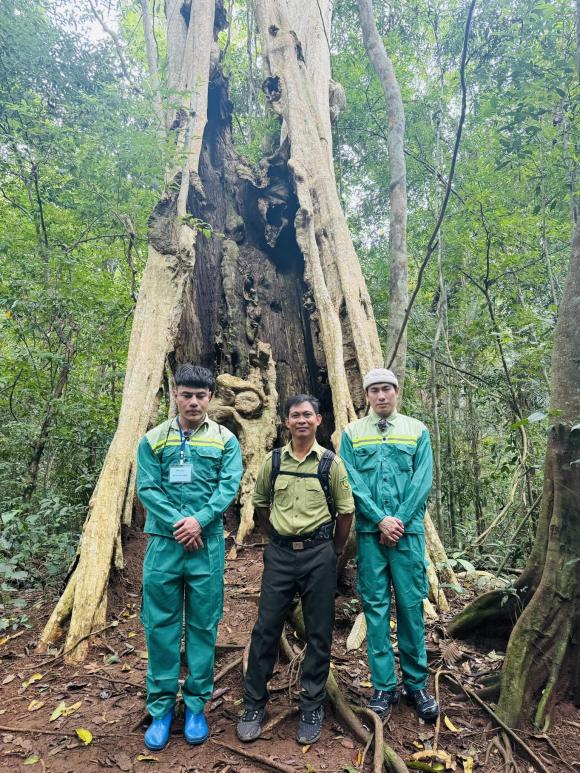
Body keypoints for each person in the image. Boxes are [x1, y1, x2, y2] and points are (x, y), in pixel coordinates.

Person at [237, 395, 354, 745]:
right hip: (280, 555)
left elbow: (345, 512)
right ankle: (254, 704)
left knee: (318, 632)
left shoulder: (331, 463)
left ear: (318, 419)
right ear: (286, 422)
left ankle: (312, 704)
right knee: (266, 628)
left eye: (308, 415)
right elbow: (259, 505)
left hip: (319, 554)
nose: (301, 420)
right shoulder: (273, 462)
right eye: (294, 415)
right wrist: (279, 538)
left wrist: (333, 551)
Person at [137, 364, 243, 750]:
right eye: (187, 394)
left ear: (210, 398)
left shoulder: (224, 440)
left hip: (207, 545)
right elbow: (147, 487)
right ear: (175, 395)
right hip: (165, 545)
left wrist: (198, 521)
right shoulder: (153, 440)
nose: (194, 401)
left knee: (202, 626)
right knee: (160, 627)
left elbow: (228, 485)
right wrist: (178, 523)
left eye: (201, 395)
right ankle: (162, 708)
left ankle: (196, 706)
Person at [340, 368, 439, 721]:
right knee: (376, 607)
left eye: (387, 389)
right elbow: (350, 480)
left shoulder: (417, 430)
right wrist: (380, 519)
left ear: (397, 391)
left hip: (408, 535)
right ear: (366, 395)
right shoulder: (352, 433)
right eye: (375, 391)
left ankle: (416, 685)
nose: (381, 396)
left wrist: (397, 520)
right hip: (370, 535)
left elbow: (422, 479)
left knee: (411, 605)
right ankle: (383, 687)